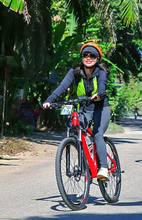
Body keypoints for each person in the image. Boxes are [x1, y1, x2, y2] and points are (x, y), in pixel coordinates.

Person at [43, 42, 110, 179]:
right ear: (81, 57)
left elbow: (102, 86)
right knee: (76, 129)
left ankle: (104, 168)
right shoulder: (75, 72)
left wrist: (99, 94)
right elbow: (62, 87)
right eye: (85, 55)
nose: (88, 58)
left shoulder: (101, 71)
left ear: (98, 58)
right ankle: (85, 160)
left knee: (97, 135)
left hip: (100, 107)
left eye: (92, 55)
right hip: (85, 107)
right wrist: (49, 100)